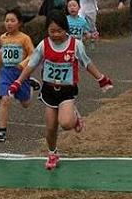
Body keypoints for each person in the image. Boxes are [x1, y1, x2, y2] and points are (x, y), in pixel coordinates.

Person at [8, 11, 113, 170]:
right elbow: (31, 65)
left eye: (59, 31)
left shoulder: (75, 45)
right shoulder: (44, 45)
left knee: (65, 123)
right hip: (49, 91)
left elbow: (87, 63)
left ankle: (75, 117)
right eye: (52, 31)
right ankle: (52, 153)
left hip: (67, 91)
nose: (56, 34)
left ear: (66, 29)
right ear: (47, 31)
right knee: (50, 127)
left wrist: (101, 78)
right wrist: (17, 82)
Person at [0, 8, 40, 143]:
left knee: (26, 103)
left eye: (12, 20)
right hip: (6, 73)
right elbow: (2, 51)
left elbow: (33, 54)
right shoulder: (3, 37)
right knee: (5, 99)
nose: (9, 23)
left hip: (21, 73)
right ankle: (1, 131)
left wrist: (23, 63)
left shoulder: (24, 38)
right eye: (6, 20)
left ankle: (29, 84)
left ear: (19, 23)